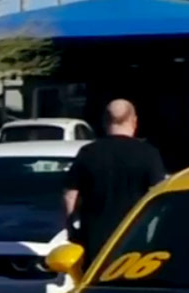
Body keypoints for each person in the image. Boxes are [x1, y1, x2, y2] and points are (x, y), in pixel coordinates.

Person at [62, 99, 168, 259]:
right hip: (134, 236)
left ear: (105, 121)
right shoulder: (148, 153)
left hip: (94, 238)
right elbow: (159, 194)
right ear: (134, 121)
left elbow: (70, 195)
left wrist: (71, 229)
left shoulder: (88, 152)